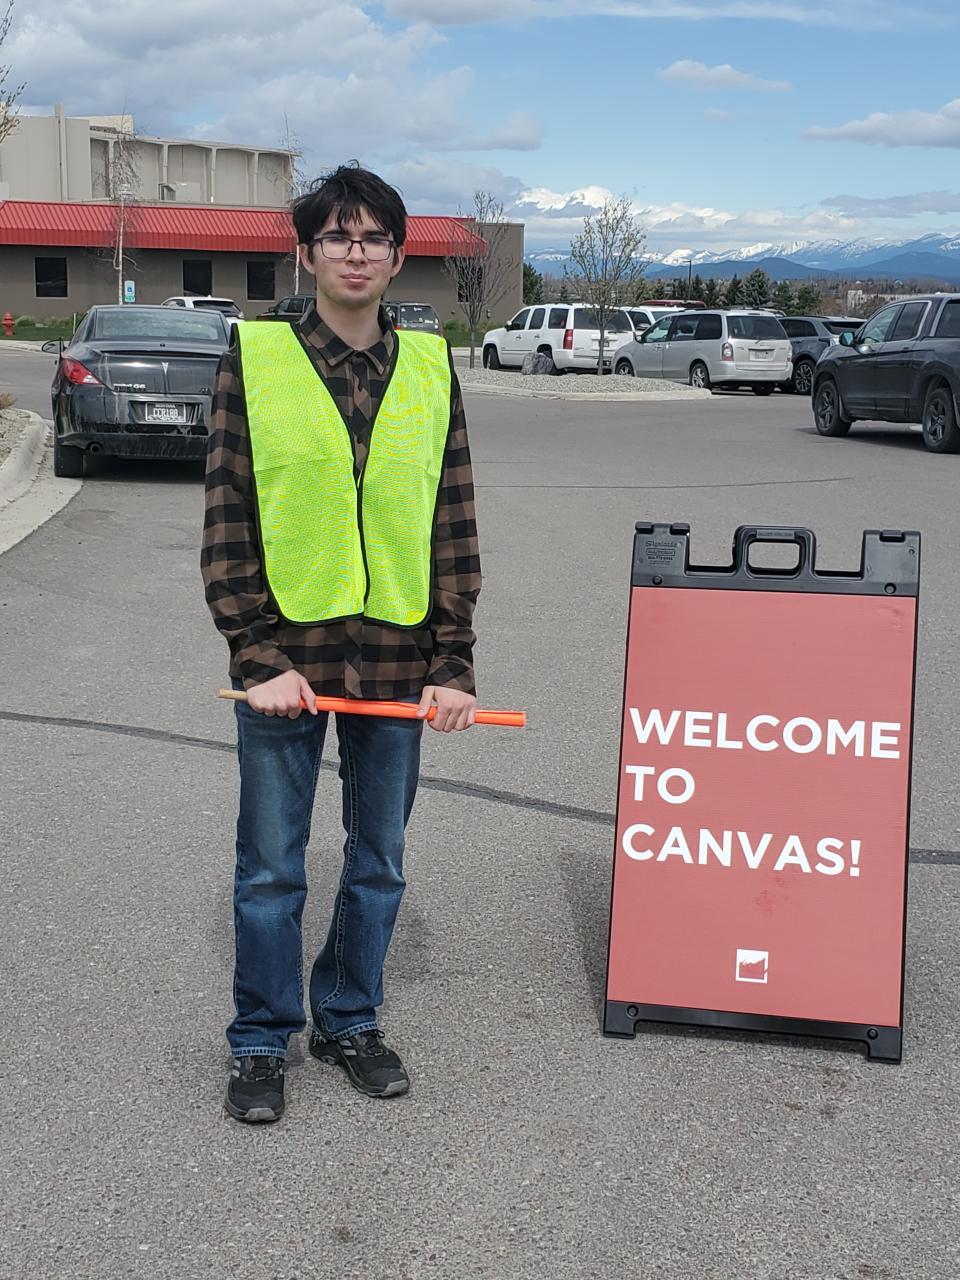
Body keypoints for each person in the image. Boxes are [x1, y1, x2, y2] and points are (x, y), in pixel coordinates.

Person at [201, 162, 480, 1123]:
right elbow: (229, 516)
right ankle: (259, 1038)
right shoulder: (257, 358)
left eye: (373, 239)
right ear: (307, 252)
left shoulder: (432, 370)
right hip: (287, 660)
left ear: (397, 257)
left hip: (398, 660)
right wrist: (256, 657)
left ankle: (350, 1019)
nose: (355, 253)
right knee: (273, 866)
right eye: (337, 236)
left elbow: (451, 522)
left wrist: (453, 663)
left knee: (379, 861)